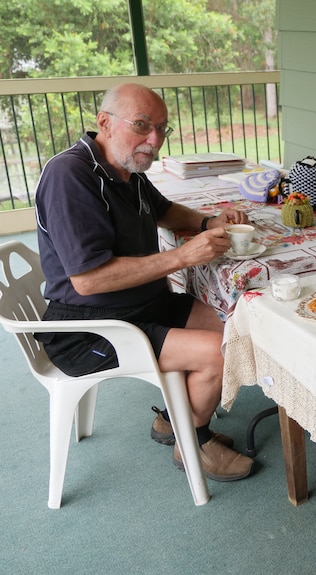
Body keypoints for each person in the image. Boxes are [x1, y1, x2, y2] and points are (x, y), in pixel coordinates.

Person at [34, 83, 254, 482]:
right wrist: (183, 256)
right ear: (104, 122)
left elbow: (164, 210)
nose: (153, 140)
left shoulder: (125, 166)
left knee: (232, 328)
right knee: (218, 353)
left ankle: (173, 420)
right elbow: (88, 280)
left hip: (141, 305)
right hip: (90, 326)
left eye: (162, 129)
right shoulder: (71, 176)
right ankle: (193, 443)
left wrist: (208, 223)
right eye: (141, 125)